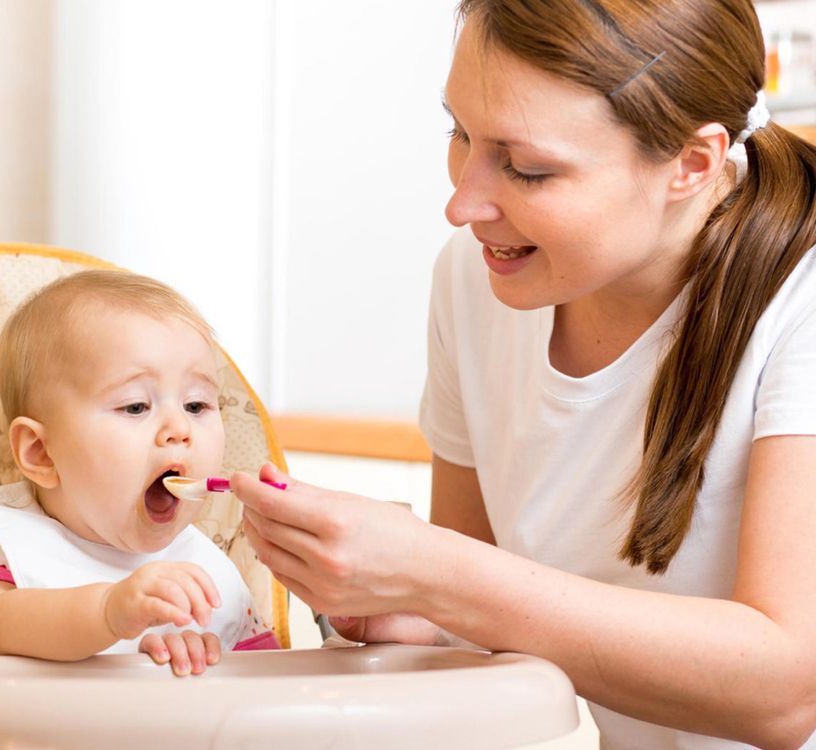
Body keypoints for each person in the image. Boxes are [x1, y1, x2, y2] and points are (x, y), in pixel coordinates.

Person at [232, 0, 816, 746]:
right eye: (460, 133)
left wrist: (436, 574)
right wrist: (394, 603)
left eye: (528, 168)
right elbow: (481, 627)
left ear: (693, 165)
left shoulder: (800, 303)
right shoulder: (480, 282)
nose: (461, 204)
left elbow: (786, 691)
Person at [0, 270, 277, 675]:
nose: (179, 430)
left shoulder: (208, 568)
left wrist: (209, 663)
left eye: (196, 406)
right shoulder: (9, 549)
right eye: (135, 407)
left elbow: (263, 693)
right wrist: (107, 613)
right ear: (42, 453)